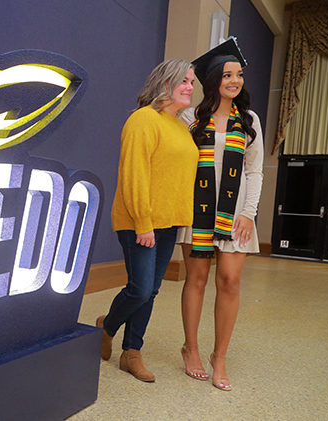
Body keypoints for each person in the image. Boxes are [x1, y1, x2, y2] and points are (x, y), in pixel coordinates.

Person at [97, 59, 198, 382]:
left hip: (169, 222)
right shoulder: (143, 120)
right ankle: (106, 327)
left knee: (151, 290)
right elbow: (134, 174)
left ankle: (132, 352)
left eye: (192, 82)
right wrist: (144, 221)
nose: (190, 87)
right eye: (183, 80)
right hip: (140, 219)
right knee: (140, 289)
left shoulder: (181, 126)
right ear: (164, 83)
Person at [176, 37, 263, 391]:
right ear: (213, 80)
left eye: (238, 74)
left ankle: (219, 356)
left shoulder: (249, 119)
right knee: (196, 279)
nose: (235, 81)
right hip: (198, 211)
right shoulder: (190, 118)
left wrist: (248, 213)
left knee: (229, 279)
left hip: (235, 214)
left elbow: (255, 171)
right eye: (227, 75)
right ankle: (191, 348)